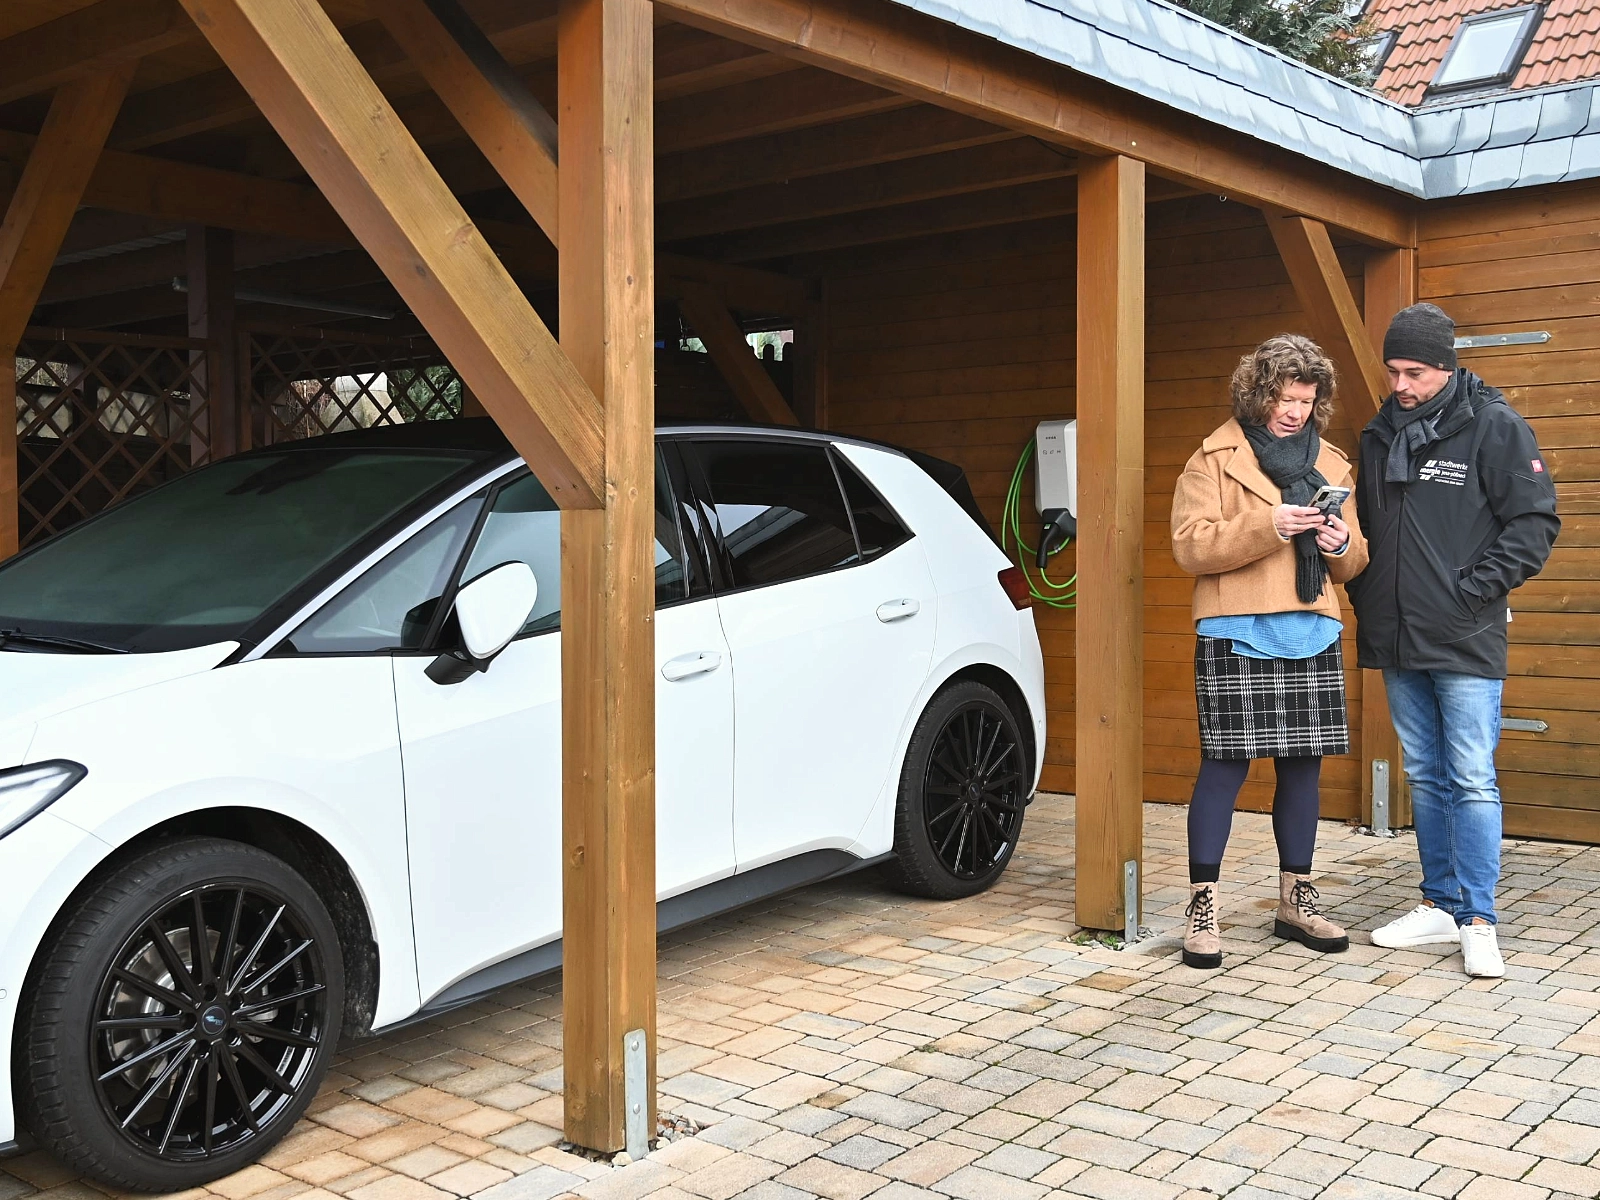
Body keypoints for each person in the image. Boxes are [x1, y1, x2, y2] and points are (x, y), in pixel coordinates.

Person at [1351, 303, 1559, 979]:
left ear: (1446, 366)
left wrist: (1471, 591)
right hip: (1397, 634)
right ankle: (1440, 903)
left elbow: (1534, 525)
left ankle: (1478, 919)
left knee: (1470, 776)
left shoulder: (1494, 426)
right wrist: (1367, 591)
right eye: (1393, 371)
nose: (1401, 385)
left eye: (1414, 372)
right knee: (1424, 772)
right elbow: (1372, 531)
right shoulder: (1378, 435)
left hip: (1465, 633)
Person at [1171, 335, 1369, 970]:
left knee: (1304, 768)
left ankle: (1295, 903)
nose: (1295, 412)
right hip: (1235, 628)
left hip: (1311, 627)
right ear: (1259, 394)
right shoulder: (1212, 458)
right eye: (1285, 399)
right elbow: (1190, 546)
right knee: (1224, 766)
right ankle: (1202, 909)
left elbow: (1356, 560)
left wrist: (1339, 543)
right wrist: (1270, 525)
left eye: (1306, 402)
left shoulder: (1332, 463)